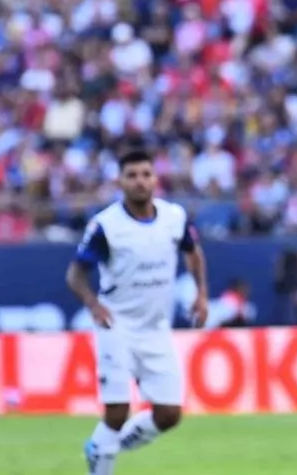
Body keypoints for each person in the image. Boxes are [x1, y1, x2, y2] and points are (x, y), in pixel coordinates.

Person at [67, 149, 209, 475]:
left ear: (155, 179)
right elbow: (75, 274)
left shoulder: (174, 217)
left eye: (146, 174)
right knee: (117, 412)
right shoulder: (106, 226)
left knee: (169, 414)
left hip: (156, 328)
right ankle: (101, 463)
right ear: (120, 181)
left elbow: (194, 253)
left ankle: (102, 448)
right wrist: (94, 304)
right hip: (117, 326)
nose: (140, 182)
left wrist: (201, 294)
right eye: (132, 175)